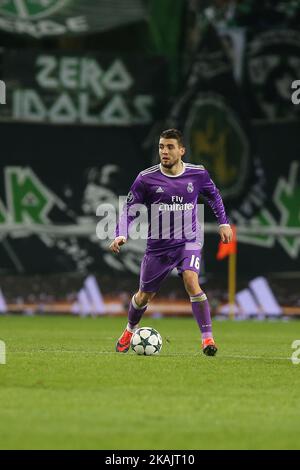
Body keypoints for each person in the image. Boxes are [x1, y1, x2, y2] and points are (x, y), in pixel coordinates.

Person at [109, 128, 232, 356]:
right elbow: (129, 209)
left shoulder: (198, 174)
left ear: (182, 150)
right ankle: (129, 330)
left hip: (189, 240)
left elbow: (214, 195)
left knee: (191, 280)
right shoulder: (146, 178)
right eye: (161, 147)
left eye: (170, 147)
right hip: (158, 246)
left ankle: (208, 340)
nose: (164, 152)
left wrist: (224, 222)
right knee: (144, 296)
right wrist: (121, 233)